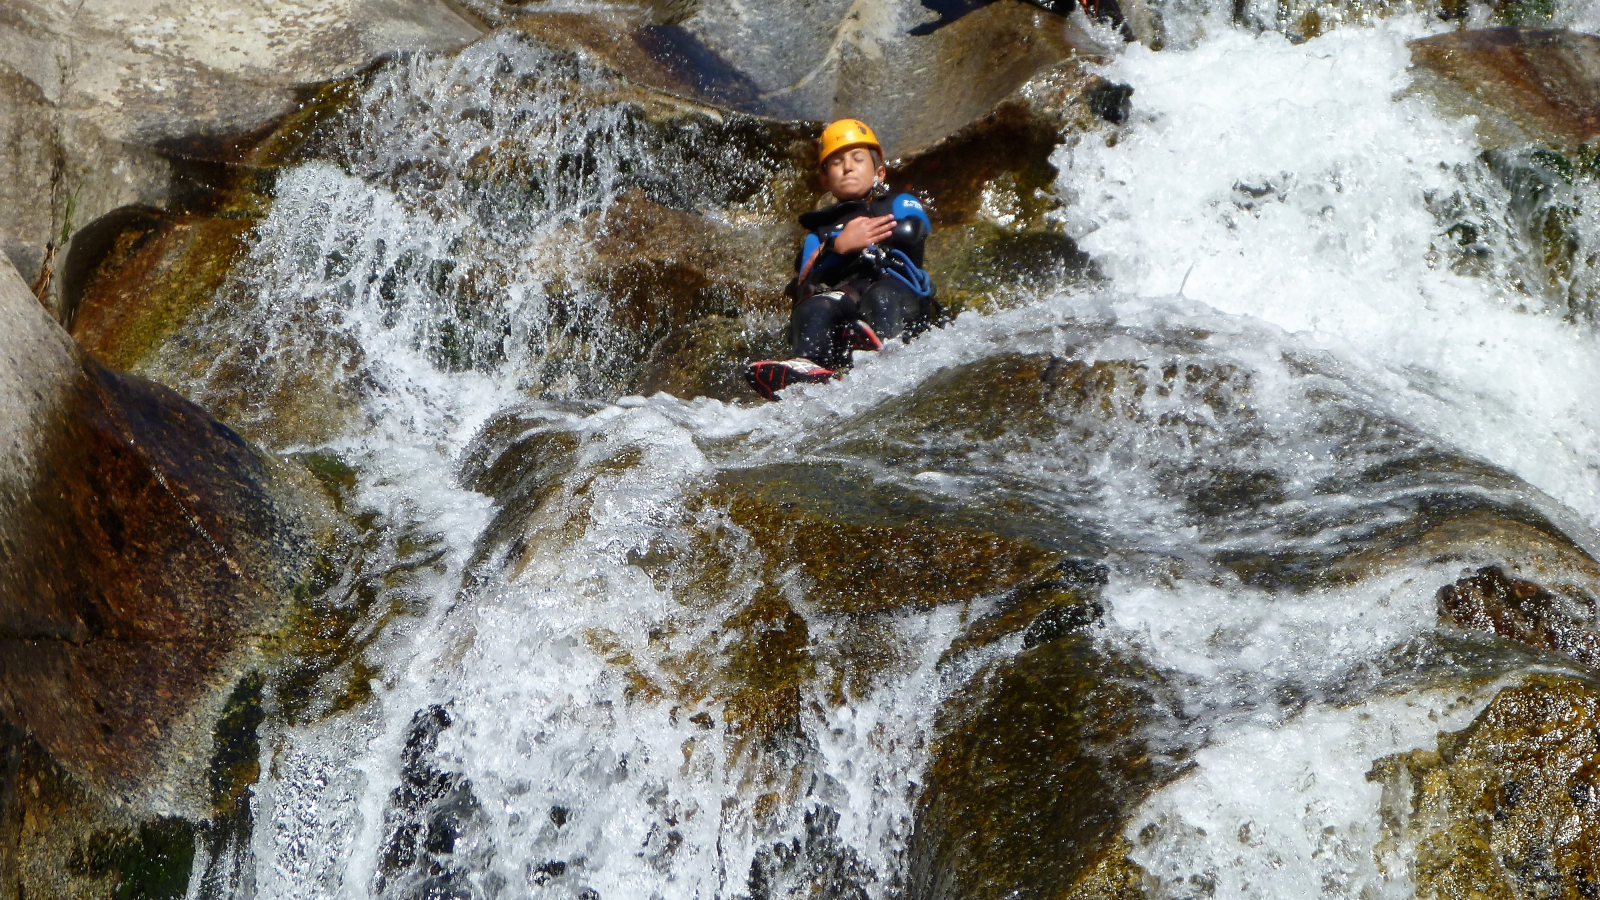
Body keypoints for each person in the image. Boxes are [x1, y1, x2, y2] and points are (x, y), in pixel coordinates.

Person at [745, 119, 940, 401]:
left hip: (897, 288)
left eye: (858, 159)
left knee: (881, 297)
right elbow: (806, 274)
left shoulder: (897, 203)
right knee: (816, 305)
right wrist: (839, 245)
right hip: (848, 295)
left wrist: (869, 235)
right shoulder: (822, 231)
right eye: (836, 163)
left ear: (879, 172)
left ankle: (891, 360)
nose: (847, 167)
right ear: (825, 180)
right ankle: (810, 364)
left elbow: (914, 230)